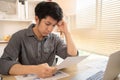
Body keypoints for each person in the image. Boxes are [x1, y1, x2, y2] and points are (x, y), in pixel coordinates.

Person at [0, 1, 77, 78]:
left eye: (53, 25)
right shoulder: (19, 36)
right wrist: (35, 69)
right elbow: (3, 64)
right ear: (37, 19)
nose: (50, 29)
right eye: (47, 24)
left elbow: (72, 57)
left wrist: (67, 32)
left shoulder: (55, 39)